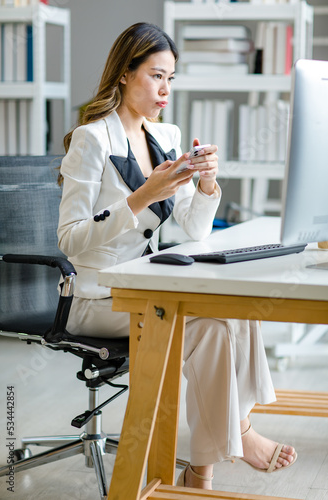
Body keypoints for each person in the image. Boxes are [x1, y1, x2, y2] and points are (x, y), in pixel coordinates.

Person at [57, 22, 297, 490]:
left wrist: (207, 185)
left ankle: (206, 464)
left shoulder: (165, 133)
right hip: (97, 299)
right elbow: (70, 239)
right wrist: (141, 197)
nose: (165, 89)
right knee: (209, 329)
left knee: (236, 308)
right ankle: (228, 447)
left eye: (171, 78)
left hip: (146, 285)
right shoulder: (92, 139)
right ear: (125, 74)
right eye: (154, 76)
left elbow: (191, 228)